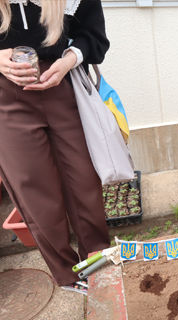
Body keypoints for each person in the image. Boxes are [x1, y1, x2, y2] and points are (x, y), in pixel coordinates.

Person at [0, 0, 110, 292]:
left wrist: (68, 60)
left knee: (85, 180)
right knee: (34, 189)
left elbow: (94, 36)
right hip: (5, 96)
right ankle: (68, 274)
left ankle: (98, 261)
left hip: (62, 83)